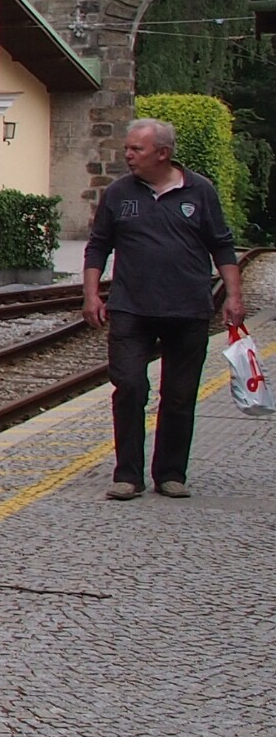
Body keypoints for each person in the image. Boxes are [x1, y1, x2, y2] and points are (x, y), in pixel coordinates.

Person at [83, 116, 243, 499]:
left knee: (179, 394)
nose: (127, 155)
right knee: (129, 387)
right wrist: (91, 294)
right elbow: (98, 245)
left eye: (136, 149)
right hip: (130, 308)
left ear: (163, 153)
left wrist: (234, 296)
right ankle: (128, 475)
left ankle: (171, 474)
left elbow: (221, 244)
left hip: (187, 309)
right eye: (127, 148)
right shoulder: (118, 193)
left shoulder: (200, 191)